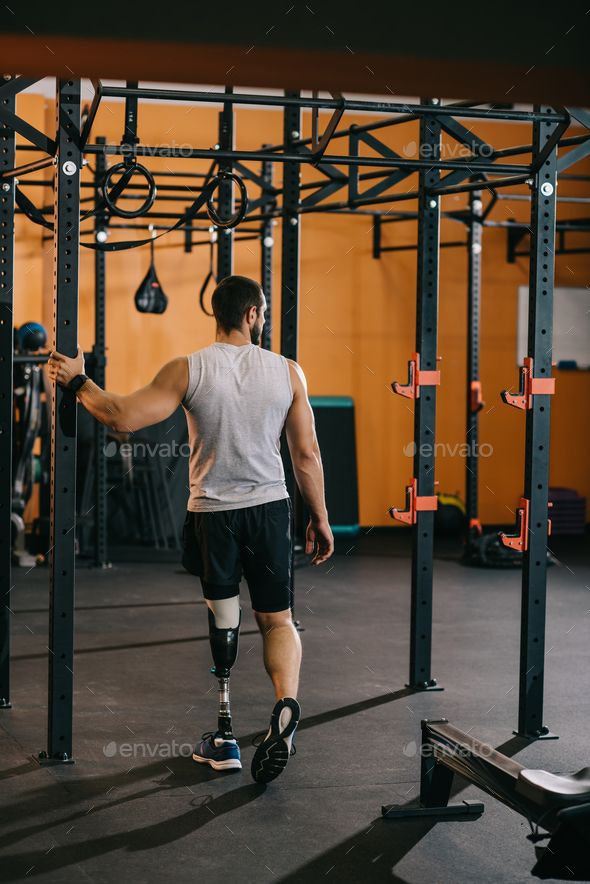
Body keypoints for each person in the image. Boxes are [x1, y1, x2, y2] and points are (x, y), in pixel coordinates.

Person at [46, 274, 334, 784]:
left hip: (213, 514)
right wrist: (320, 518)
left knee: (224, 619)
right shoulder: (288, 372)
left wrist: (76, 380)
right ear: (251, 313)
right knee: (278, 621)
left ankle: (223, 738)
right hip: (269, 510)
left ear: (217, 315)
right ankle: (285, 708)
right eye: (262, 312)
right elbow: (306, 455)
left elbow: (122, 417)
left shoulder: (189, 369)